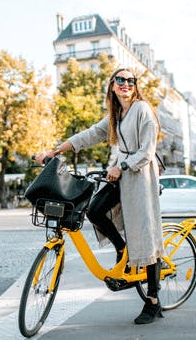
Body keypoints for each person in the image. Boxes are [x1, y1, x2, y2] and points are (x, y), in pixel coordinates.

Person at [35, 68, 164, 325]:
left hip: (140, 175)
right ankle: (122, 247)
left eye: (130, 80)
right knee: (94, 210)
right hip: (121, 173)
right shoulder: (116, 115)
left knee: (145, 234)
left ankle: (153, 300)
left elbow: (147, 151)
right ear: (112, 86)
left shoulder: (142, 110)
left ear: (135, 86)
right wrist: (54, 150)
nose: (125, 84)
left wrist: (122, 166)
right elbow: (90, 134)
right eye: (120, 80)